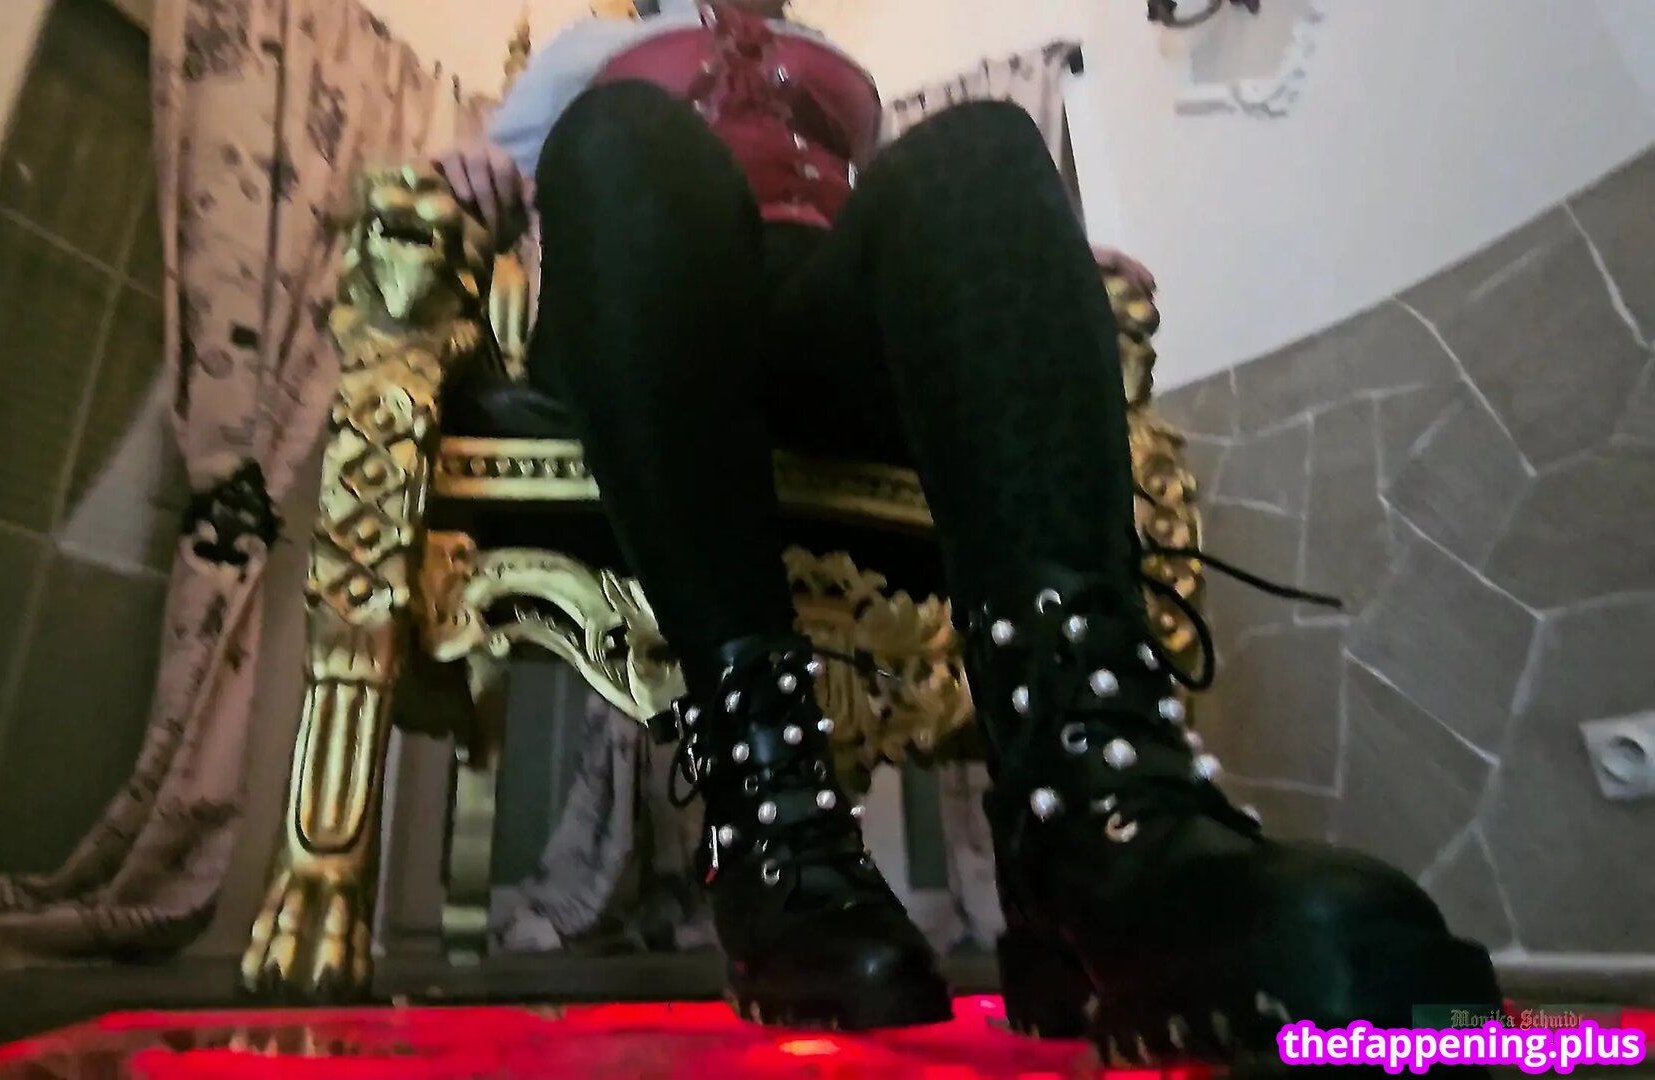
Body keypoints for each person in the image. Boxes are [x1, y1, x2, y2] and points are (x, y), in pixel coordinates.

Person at [435, 0, 1502, 1061]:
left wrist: (1023, 257)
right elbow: (488, 171)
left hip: (816, 318)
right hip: (644, 307)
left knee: (981, 152)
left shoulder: (828, 52)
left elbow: (901, 225)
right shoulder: (589, 48)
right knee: (622, 132)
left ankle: (1092, 823)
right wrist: (470, 171)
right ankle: (772, 819)